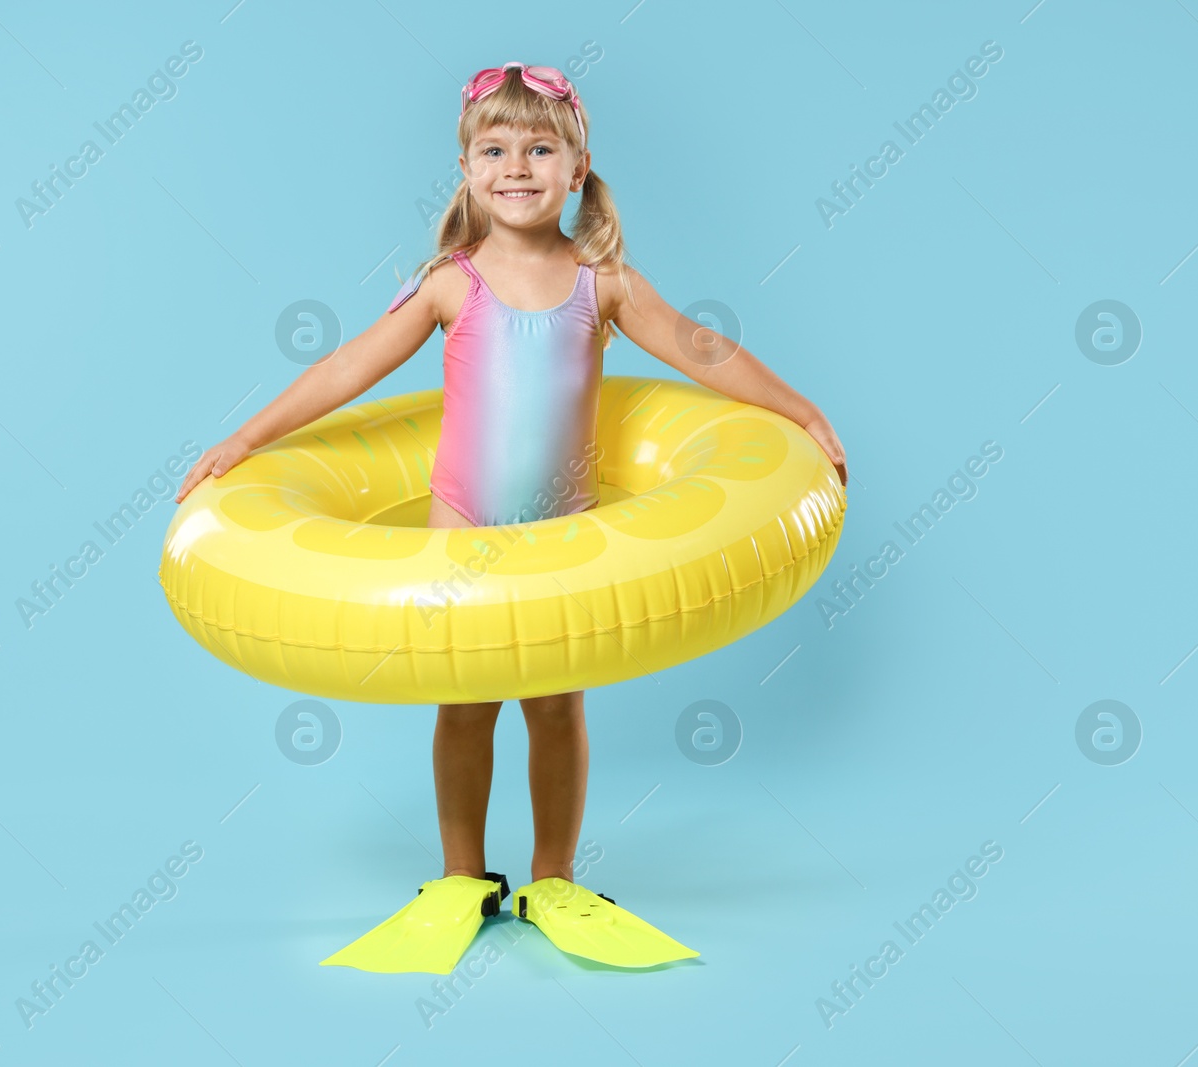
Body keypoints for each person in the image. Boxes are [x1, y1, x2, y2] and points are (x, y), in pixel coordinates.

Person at [176, 61, 847, 973]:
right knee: (463, 707)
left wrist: (801, 409)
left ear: (578, 169)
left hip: (562, 528)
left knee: (557, 706)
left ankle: (555, 877)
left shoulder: (602, 281)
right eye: (494, 150)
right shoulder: (451, 283)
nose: (517, 167)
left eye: (540, 148)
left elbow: (701, 348)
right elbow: (348, 370)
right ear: (465, 168)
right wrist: (245, 438)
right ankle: (462, 876)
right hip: (464, 528)